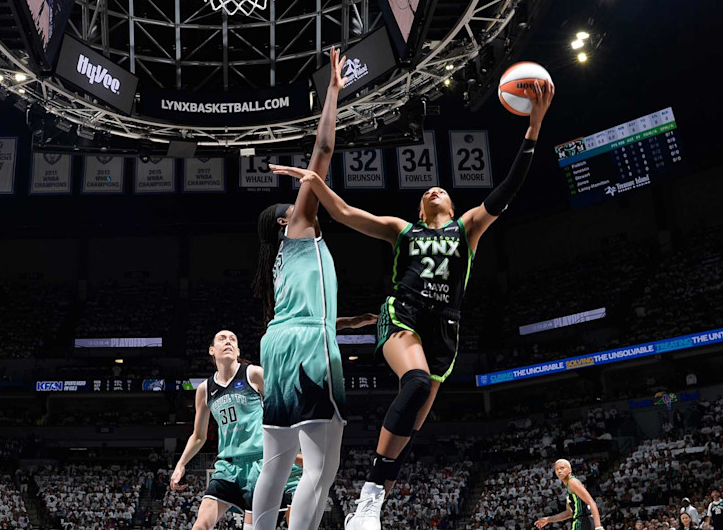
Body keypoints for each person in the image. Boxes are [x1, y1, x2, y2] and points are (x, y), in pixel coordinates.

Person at [270, 78, 554, 529]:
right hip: (402, 315)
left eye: (440, 190)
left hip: (446, 331)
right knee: (417, 381)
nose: (433, 191)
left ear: (453, 204)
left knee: (412, 425)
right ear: (420, 211)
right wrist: (314, 181)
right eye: (426, 193)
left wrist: (533, 127)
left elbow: (507, 190)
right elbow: (346, 215)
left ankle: (370, 501)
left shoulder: (468, 229)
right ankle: (369, 500)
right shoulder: (405, 230)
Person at [250, 45, 354, 530]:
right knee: (321, 465)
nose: (297, 205)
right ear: (286, 220)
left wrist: (359, 320)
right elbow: (324, 153)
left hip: (278, 343)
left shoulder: (279, 262)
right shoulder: (301, 229)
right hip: (310, 344)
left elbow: (315, 307)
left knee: (277, 458)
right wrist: (332, 92)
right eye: (290, 206)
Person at [169, 330, 303, 530]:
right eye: (222, 339)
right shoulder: (205, 389)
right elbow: (198, 436)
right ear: (212, 350)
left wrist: (294, 449)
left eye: (233, 339)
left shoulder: (253, 374)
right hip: (228, 467)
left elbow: (286, 408)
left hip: (260, 462)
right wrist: (180, 464)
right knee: (200, 525)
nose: (228, 341)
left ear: (238, 349)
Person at [535, 459, 604, 530]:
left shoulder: (572, 482)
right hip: (583, 522)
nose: (559, 471)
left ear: (569, 470)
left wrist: (598, 526)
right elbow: (569, 513)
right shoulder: (569, 486)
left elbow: (591, 502)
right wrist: (548, 519)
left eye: (562, 468)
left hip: (584, 521)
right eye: (557, 469)